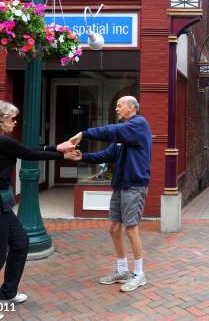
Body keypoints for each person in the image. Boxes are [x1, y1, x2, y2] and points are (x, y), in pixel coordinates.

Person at [0, 101, 76, 321]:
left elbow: (27, 149)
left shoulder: (0, 141)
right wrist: (61, 154)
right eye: (12, 119)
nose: (15, 123)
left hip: (0, 205)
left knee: (20, 243)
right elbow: (28, 153)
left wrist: (58, 148)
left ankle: (8, 293)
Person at [65, 96, 152, 292]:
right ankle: (122, 270)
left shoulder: (138, 124)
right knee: (114, 229)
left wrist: (84, 134)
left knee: (131, 229)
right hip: (121, 186)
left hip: (134, 185)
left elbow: (110, 131)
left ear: (131, 107)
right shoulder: (123, 134)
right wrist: (83, 157)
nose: (116, 109)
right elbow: (107, 155)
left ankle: (139, 274)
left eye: (119, 106)